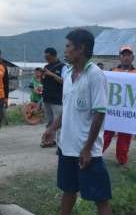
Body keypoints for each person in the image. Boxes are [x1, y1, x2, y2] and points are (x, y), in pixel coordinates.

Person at [43, 28, 112, 215]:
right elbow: (68, 109)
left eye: (68, 46)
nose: (65, 51)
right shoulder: (67, 74)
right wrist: (52, 128)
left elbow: (99, 113)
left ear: (80, 49)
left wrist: (88, 148)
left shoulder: (95, 75)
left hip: (87, 150)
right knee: (68, 190)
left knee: (100, 197)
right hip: (67, 147)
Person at [102, 45, 136, 169]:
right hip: (112, 111)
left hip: (128, 111)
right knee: (106, 135)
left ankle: (122, 160)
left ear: (132, 57)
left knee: (125, 137)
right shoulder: (111, 72)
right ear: (120, 57)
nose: (126, 57)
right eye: (124, 54)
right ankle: (95, 155)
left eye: (128, 54)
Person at [41, 47, 65, 147]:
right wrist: (42, 77)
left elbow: (64, 81)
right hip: (46, 98)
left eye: (48, 57)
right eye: (45, 57)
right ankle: (49, 141)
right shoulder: (46, 66)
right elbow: (43, 82)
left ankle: (60, 146)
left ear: (54, 56)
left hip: (57, 100)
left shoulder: (63, 67)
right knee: (50, 122)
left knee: (58, 123)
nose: (47, 59)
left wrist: (51, 74)